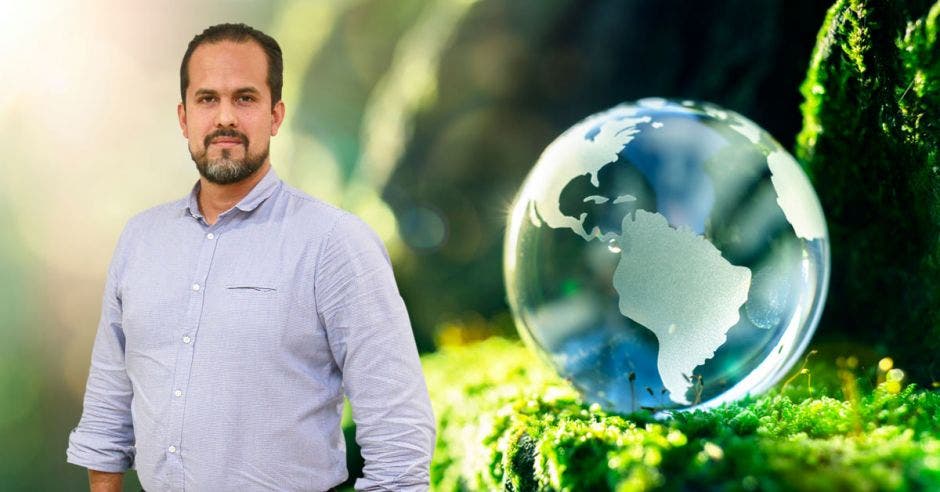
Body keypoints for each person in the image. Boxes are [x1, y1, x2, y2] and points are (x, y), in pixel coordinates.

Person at [66, 23, 436, 491]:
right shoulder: (141, 240)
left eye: (245, 98)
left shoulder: (334, 241)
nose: (225, 118)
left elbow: (397, 424)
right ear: (183, 118)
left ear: (276, 115)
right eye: (207, 99)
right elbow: (109, 402)